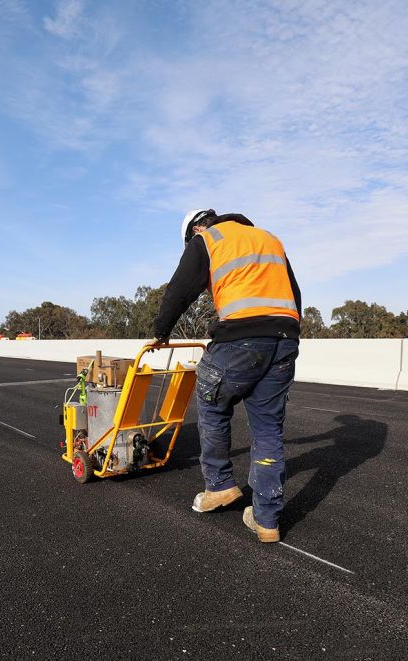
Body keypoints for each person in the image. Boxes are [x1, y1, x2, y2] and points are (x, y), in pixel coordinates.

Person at [152, 209, 301, 543]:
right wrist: (287, 335)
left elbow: (179, 289)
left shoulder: (207, 238)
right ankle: (267, 520)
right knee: (268, 429)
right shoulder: (269, 238)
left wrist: (161, 332)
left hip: (240, 338)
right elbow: (295, 293)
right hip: (284, 340)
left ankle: (220, 485)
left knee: (212, 400)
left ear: (196, 228)